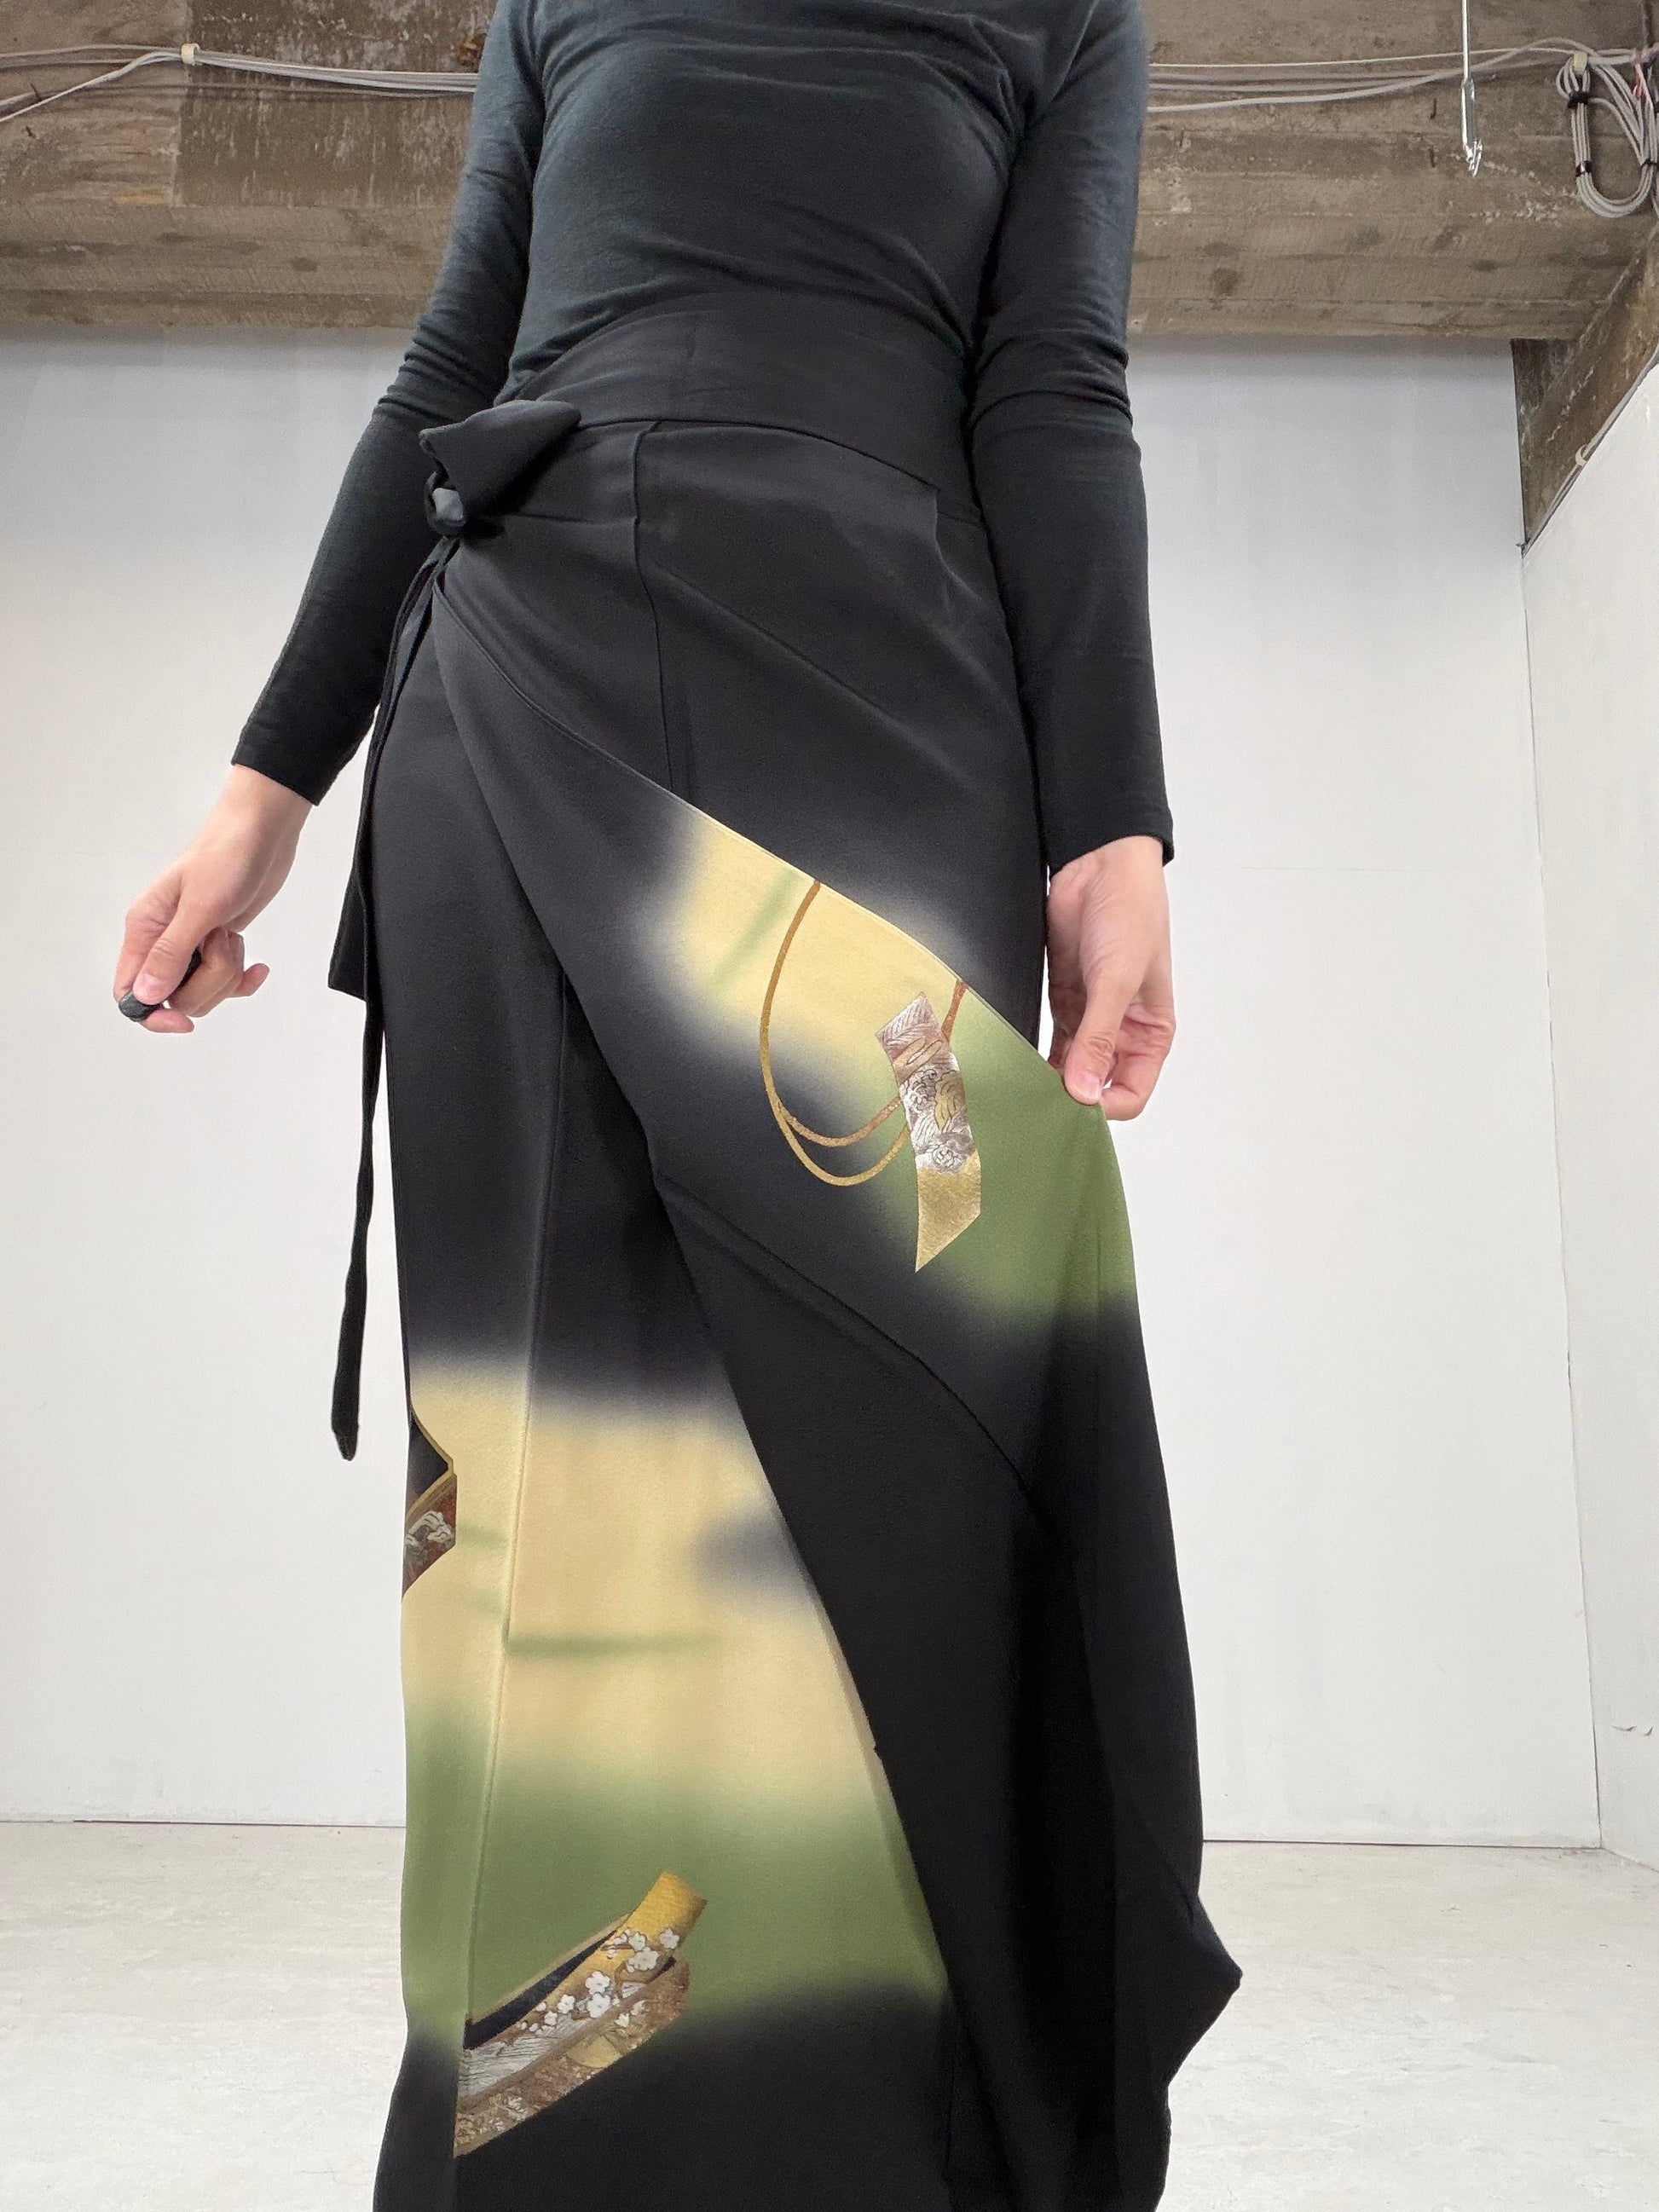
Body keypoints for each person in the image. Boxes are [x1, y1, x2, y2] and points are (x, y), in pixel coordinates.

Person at [115, 1, 1240, 2203]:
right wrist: (267, 791)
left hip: (889, 690)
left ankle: (887, 2130)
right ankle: (551, 2138)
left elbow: (1051, 387)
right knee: (553, 1446)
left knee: (917, 1389)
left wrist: (1113, 829)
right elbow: (452, 363)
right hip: (525, 689)